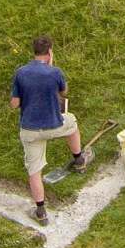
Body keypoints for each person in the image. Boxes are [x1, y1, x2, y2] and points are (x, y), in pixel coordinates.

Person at [11, 35, 88, 225]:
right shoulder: (55, 72)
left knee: (34, 171)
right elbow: (64, 92)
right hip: (55, 125)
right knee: (72, 123)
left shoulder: (21, 73)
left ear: (34, 52)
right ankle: (79, 160)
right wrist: (51, 68)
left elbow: (14, 104)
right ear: (50, 52)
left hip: (30, 131)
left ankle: (41, 212)